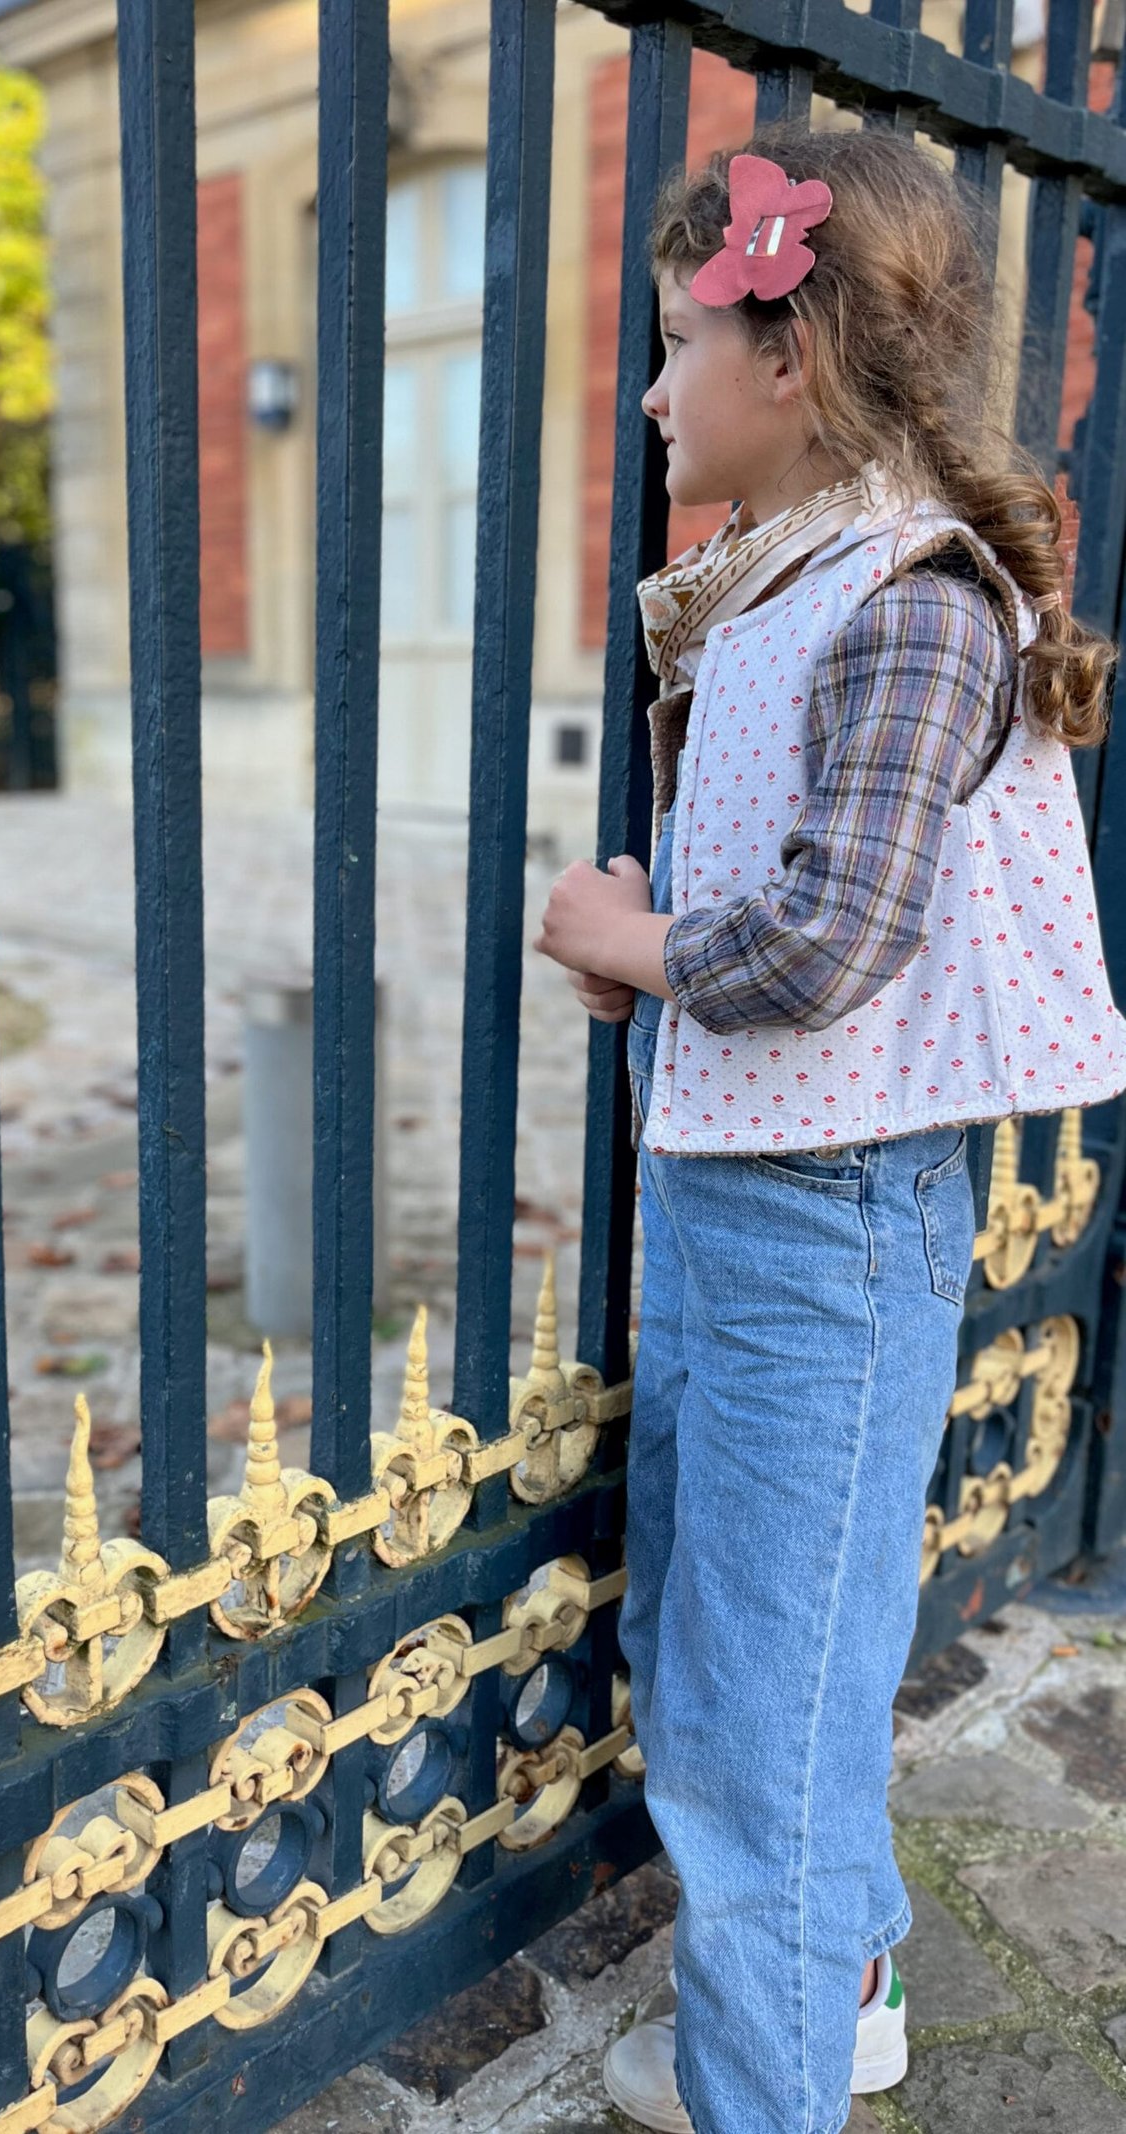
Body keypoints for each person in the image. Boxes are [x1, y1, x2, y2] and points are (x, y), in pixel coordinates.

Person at [534, 127, 1126, 2134]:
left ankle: (765, 2080)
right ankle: (848, 1968)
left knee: (741, 1741)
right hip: (732, 1204)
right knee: (717, 1652)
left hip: (824, 1227)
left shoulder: (904, 599)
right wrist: (658, 948)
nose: (644, 390)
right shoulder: (784, 579)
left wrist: (620, 927)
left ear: (781, 358)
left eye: (675, 341)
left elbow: (825, 940)